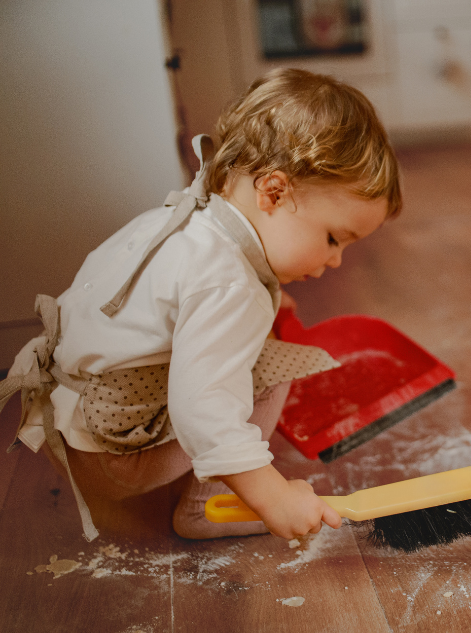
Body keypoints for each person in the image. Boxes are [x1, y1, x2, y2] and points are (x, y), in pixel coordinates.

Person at [0, 68, 402, 542]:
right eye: (334, 238)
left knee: (245, 341)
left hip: (66, 425)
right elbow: (205, 413)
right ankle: (203, 509)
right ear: (272, 193)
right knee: (270, 370)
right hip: (112, 460)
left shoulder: (185, 216)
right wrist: (273, 497)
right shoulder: (232, 287)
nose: (336, 259)